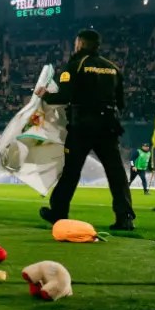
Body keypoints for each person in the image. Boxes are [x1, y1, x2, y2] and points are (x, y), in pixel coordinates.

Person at [35, 29, 135, 231]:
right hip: (108, 125)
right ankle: (125, 218)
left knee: (71, 171)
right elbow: (121, 103)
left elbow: (63, 97)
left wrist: (44, 95)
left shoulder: (75, 65)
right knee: (116, 173)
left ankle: (59, 213)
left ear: (80, 43)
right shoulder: (113, 68)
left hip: (82, 126)